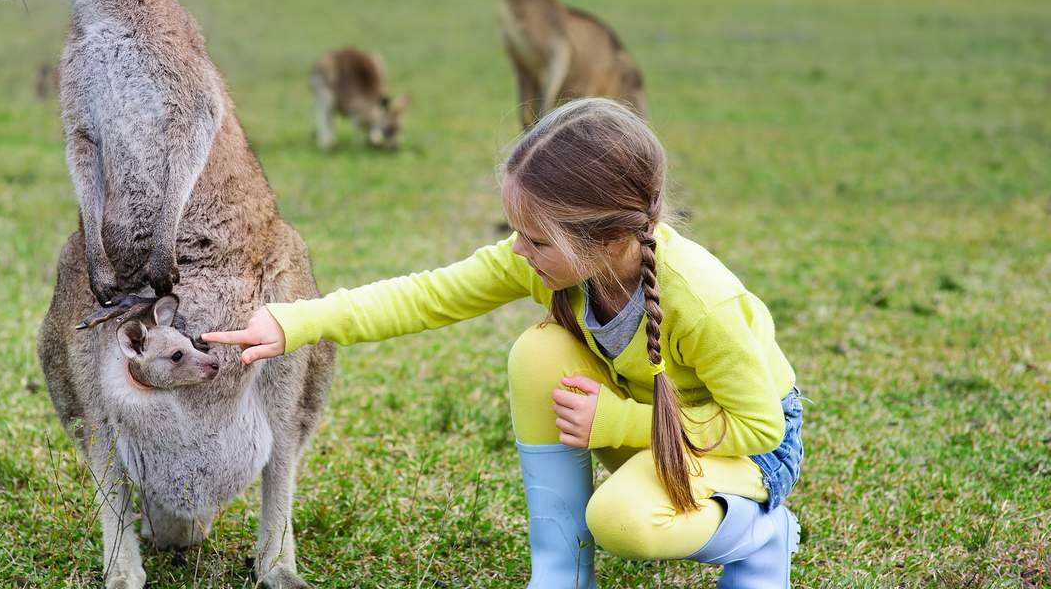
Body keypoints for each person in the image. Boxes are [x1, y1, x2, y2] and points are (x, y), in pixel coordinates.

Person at [203, 97, 805, 588]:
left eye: (536, 239)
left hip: (747, 453)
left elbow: (759, 429)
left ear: (611, 237)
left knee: (622, 521)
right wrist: (295, 322)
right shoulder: (553, 263)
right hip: (647, 427)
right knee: (538, 353)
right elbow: (425, 296)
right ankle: (561, 574)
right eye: (516, 232)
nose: (519, 251)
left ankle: (762, 539)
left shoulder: (702, 302)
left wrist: (622, 421)